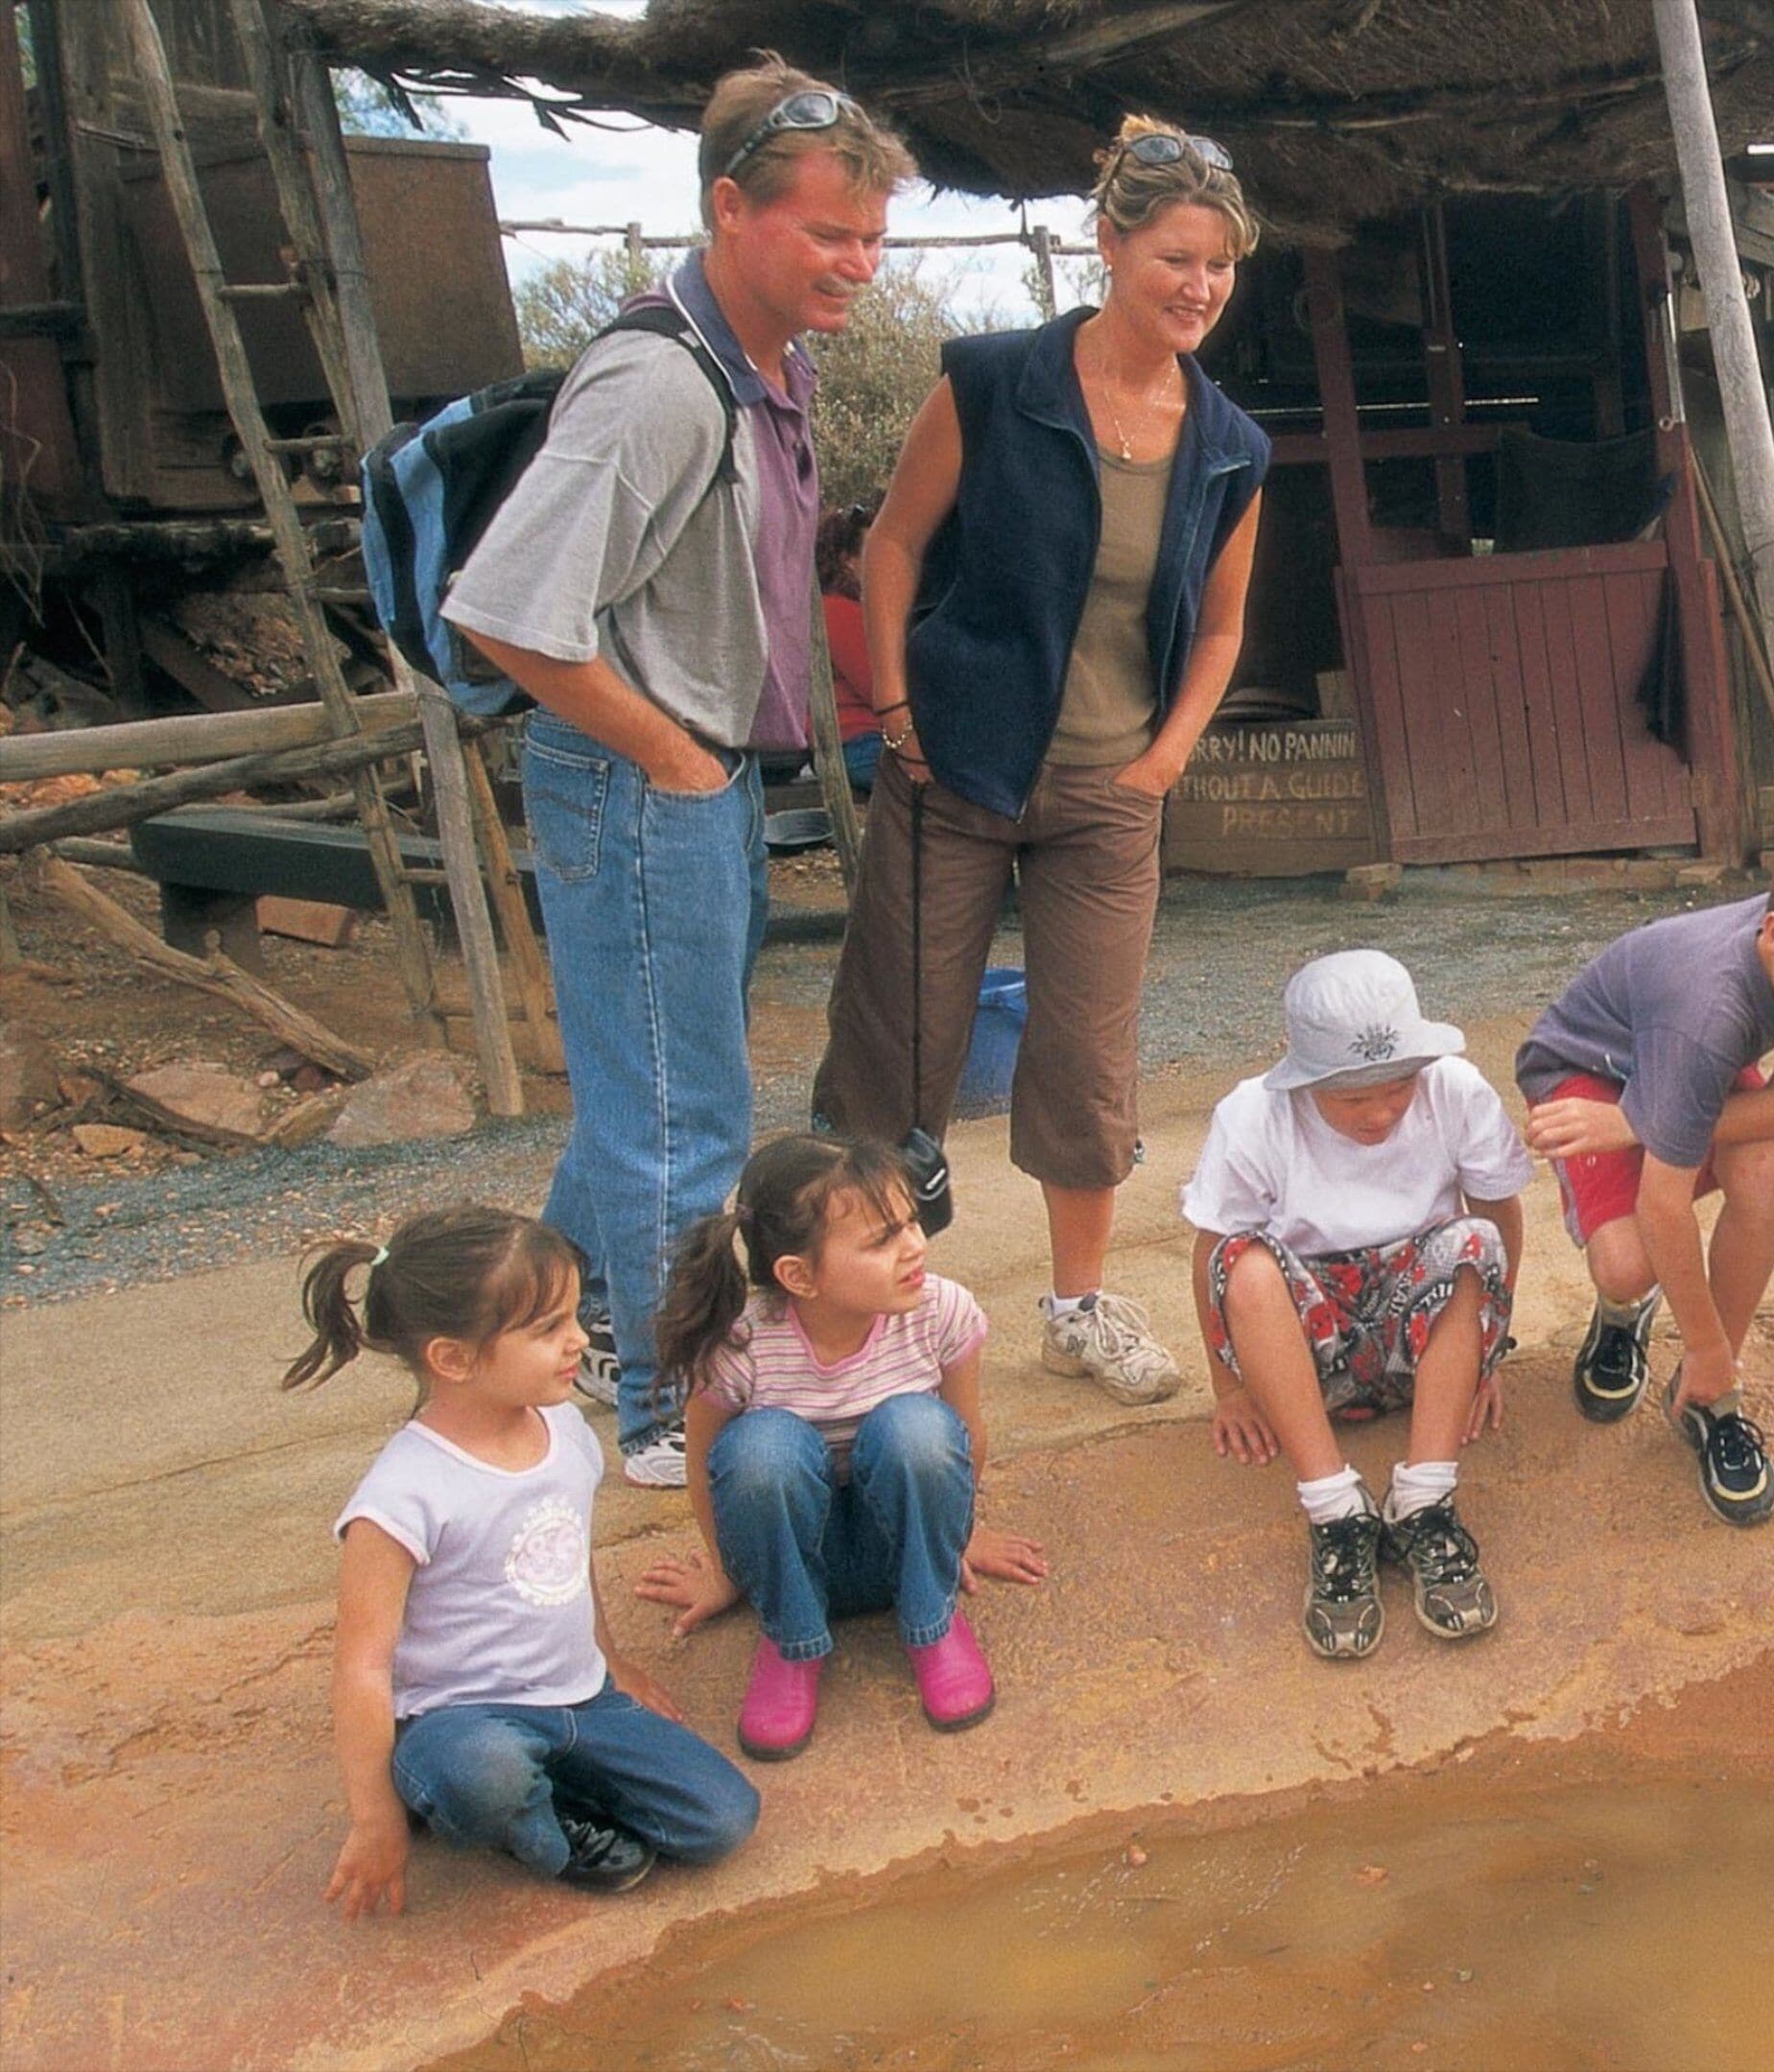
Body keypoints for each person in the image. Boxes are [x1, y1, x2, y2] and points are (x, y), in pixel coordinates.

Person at [447, 62, 913, 1488]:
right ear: (728, 208)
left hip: (697, 771)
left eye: (871, 238)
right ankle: (663, 1410)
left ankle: (559, 1323)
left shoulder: (771, 364)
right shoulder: (659, 383)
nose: (856, 262)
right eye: (825, 232)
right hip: (645, 774)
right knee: (682, 1117)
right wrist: (670, 756)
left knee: (645, 1090)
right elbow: (506, 610)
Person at [811, 117, 1274, 1408]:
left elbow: (1222, 625)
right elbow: (893, 544)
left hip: (1107, 795)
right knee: (898, 1046)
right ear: (1110, 245)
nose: (1199, 287)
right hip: (953, 768)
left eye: (1220, 266)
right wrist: (897, 708)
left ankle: (1077, 1309)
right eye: (1176, 258)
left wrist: (1163, 761)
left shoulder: (1230, 445)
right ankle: (866, 1315)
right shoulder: (994, 382)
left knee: (1085, 1063)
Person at [287, 1207, 760, 1915]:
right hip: (459, 1717)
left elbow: (564, 1561)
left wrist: (611, 1663)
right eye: (548, 1329)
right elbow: (362, 1666)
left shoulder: (565, 1429)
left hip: (579, 1699)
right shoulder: (400, 1497)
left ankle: (531, 1788)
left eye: (574, 1317)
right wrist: (375, 1818)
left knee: (723, 1819)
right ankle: (532, 1829)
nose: (580, 1341)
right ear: (453, 1359)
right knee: (480, 1770)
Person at [1515, 820, 1774, 1527]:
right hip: (1591, 1065)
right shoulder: (1709, 1010)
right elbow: (1663, 1207)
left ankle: (1710, 1393)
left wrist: (1639, 1122)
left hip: (1664, 1083)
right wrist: (1697, 1339)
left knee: (1765, 1171)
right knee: (1628, 1267)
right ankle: (1631, 1318)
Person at [633, 1135, 1049, 1758]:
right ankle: (792, 1644)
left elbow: (966, 1434)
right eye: (881, 1240)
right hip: (795, 1564)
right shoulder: (741, 1345)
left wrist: (959, 1535)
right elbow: (707, 1466)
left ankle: (932, 1625)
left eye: (910, 1223)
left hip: (898, 1555)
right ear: (798, 1275)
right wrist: (725, 1572)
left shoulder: (941, 1311)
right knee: (760, 1450)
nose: (914, 1246)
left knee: (919, 1429)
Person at [1186, 952, 1530, 1659]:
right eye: (1351, 1100)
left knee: (1473, 1241)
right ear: (1306, 1080)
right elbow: (1212, 1252)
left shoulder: (1457, 1089)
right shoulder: (1252, 1115)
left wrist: (1485, 1356)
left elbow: (1499, 1214)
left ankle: (1425, 1497)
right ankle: (1334, 1508)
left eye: (1399, 1086)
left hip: (1420, 1348)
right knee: (1244, 1264)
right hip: (1309, 1362)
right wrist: (1229, 1388)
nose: (1380, 1113)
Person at [818, 502, 882, 796]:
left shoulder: (854, 608)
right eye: (875, 551)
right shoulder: (839, 611)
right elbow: (877, 686)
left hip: (866, 739)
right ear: (848, 561)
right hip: (859, 742)